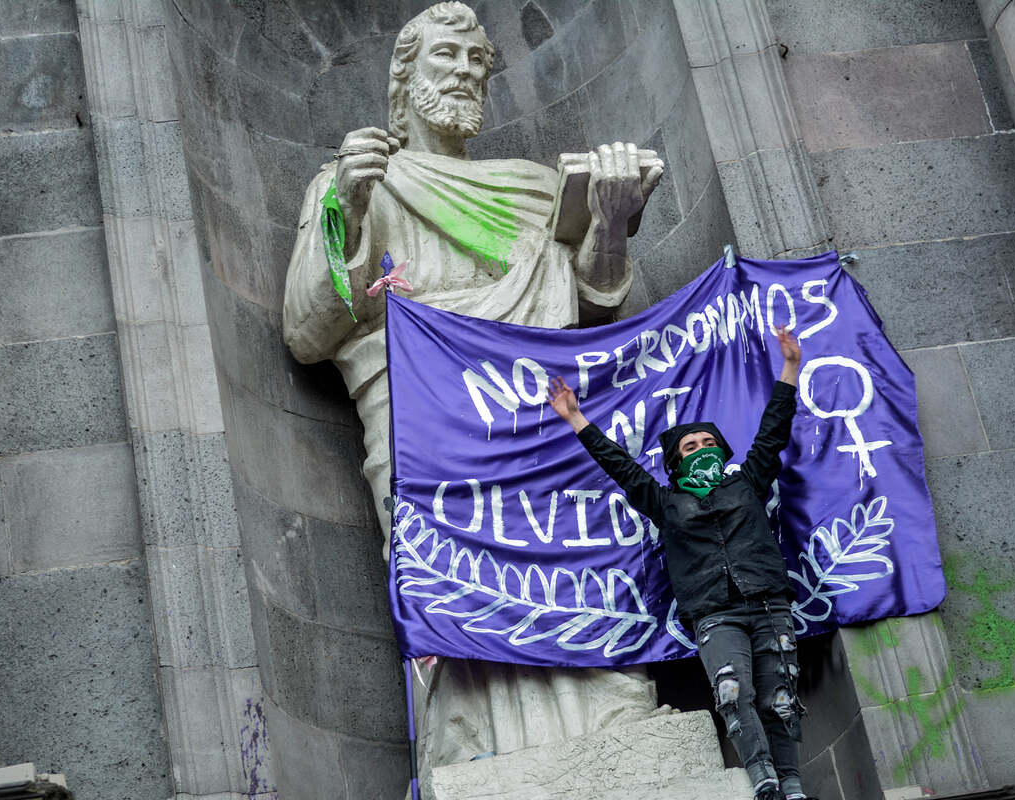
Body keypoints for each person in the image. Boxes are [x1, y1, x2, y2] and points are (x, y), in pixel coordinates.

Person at [281, 0, 670, 784]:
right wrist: (348, 214)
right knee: (457, 591)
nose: (463, 73)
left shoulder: (530, 187)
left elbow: (588, 308)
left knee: (574, 565)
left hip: (542, 424)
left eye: (475, 61)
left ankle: (612, 724)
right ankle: (470, 752)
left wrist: (612, 226)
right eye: (444, 58)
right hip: (427, 427)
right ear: (405, 78)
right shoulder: (357, 181)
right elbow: (307, 329)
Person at [547, 328, 816, 800]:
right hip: (716, 613)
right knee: (736, 694)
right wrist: (575, 418)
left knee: (781, 699)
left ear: (722, 449)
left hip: (770, 603)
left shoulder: (747, 482)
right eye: (689, 447)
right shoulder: (665, 501)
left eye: (707, 443)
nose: (700, 450)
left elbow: (773, 431)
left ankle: (793, 786)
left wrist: (790, 368)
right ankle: (765, 781)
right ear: (674, 463)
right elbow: (622, 468)